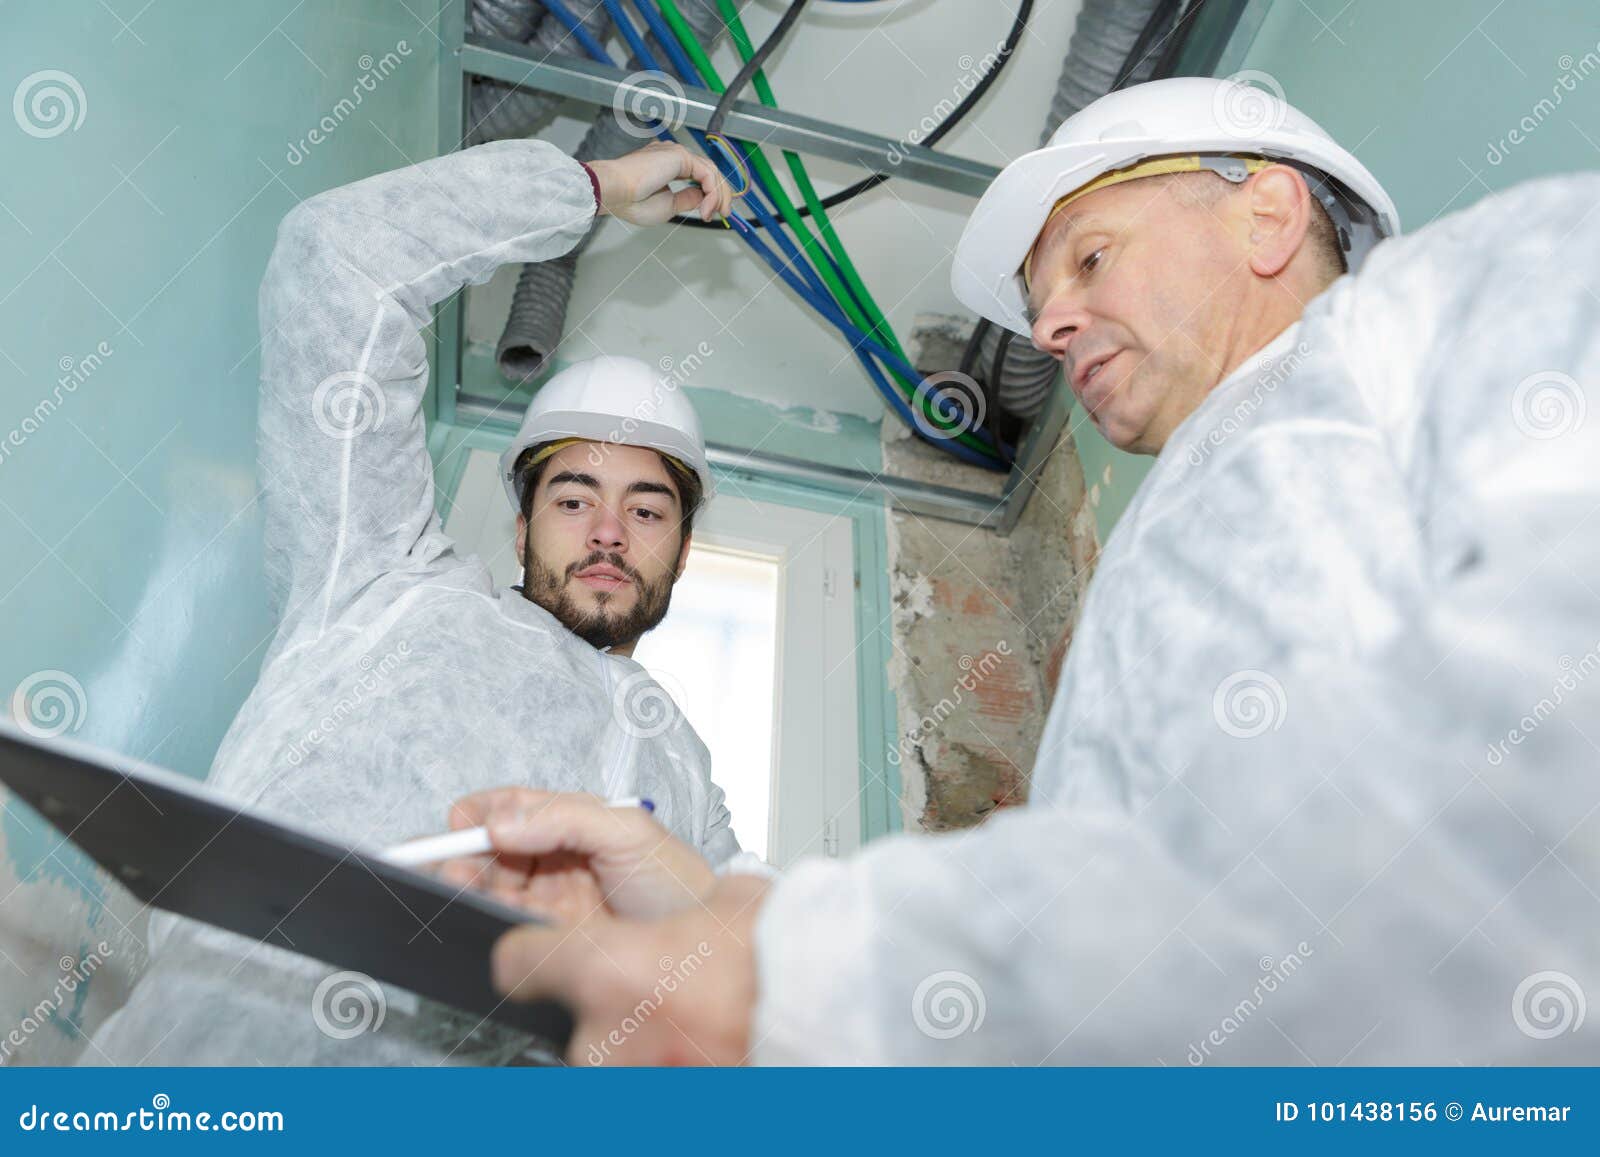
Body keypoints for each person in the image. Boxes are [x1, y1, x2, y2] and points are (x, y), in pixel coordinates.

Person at [467, 77, 1600, 1064]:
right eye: (1041, 294)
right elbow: (1162, 941)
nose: (1049, 324)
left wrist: (803, 976)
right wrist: (720, 910)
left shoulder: (1466, 302)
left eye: (1089, 257)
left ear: (1266, 214)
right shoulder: (1190, 523)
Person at [83, 139, 754, 1066]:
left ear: (680, 551)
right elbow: (338, 260)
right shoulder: (380, 576)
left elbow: (748, 979)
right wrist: (591, 188)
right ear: (519, 530)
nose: (607, 530)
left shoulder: (683, 770)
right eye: (572, 499)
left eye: (647, 509)